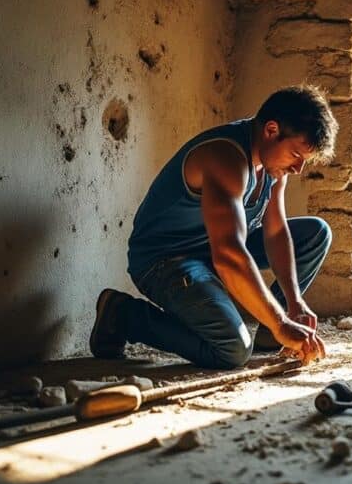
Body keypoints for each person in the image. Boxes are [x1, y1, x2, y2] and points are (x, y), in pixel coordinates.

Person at [89, 85, 337, 368]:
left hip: (209, 251)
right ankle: (124, 315)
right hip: (167, 260)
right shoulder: (225, 157)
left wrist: (294, 303)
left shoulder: (273, 164)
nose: (298, 169)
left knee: (316, 233)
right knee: (232, 350)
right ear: (271, 130)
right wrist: (281, 323)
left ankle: (271, 334)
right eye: (296, 155)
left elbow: (276, 232)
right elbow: (229, 255)